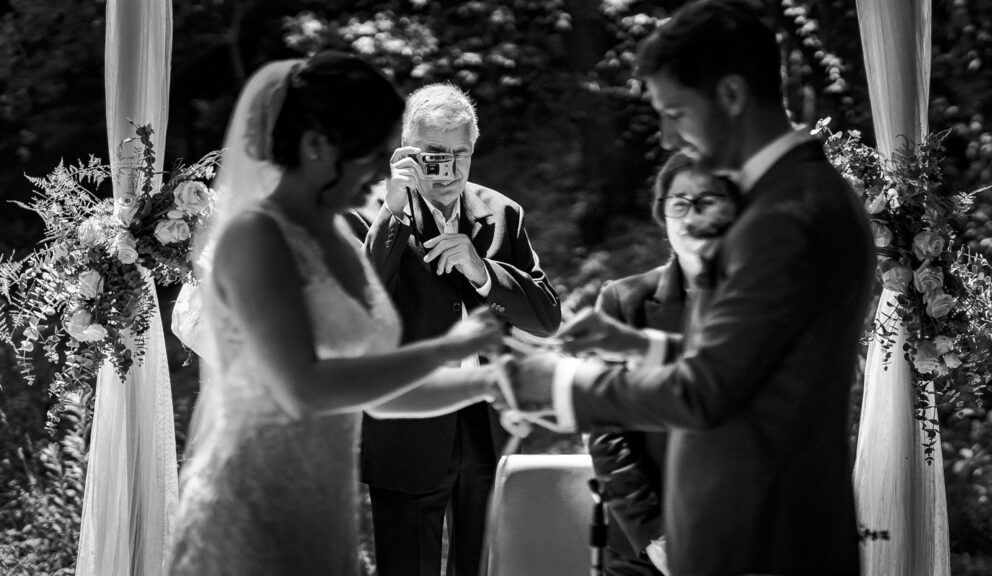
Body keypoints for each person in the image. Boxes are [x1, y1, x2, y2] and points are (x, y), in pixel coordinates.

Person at [508, 1, 875, 574]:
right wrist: (641, 346)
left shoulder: (783, 216)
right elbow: (755, 367)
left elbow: (706, 392)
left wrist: (559, 383)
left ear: (730, 95)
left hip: (757, 538)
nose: (665, 135)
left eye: (675, 112)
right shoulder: (790, 196)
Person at [166, 52, 507, 576]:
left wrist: (486, 379)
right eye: (367, 150)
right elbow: (310, 386)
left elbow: (382, 393)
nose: (380, 166)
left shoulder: (340, 242)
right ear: (315, 145)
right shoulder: (257, 238)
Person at [361, 83, 562, 576]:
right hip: (407, 425)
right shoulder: (370, 211)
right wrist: (393, 212)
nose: (449, 170)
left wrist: (484, 272)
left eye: (461, 154)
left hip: (488, 426)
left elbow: (545, 318)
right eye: (434, 155)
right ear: (407, 151)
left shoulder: (503, 213)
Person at [580, 153, 740, 576]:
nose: (692, 216)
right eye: (679, 204)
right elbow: (605, 430)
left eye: (708, 202)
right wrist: (655, 536)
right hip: (647, 549)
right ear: (662, 213)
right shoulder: (623, 301)